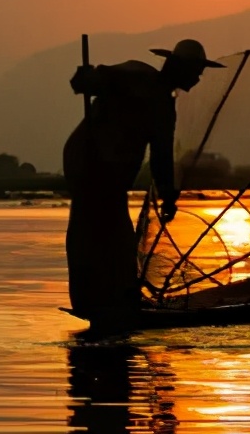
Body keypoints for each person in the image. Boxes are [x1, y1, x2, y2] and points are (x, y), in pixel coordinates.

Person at [63, 38, 223, 323]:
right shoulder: (136, 75)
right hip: (90, 164)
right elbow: (84, 82)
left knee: (110, 234)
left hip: (112, 175)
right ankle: (103, 299)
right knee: (97, 233)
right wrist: (89, 77)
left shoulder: (164, 105)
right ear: (178, 67)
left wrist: (168, 195)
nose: (198, 77)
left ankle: (109, 298)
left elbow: (161, 156)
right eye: (196, 70)